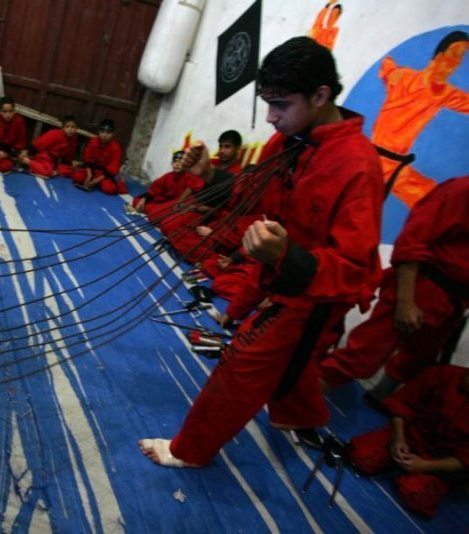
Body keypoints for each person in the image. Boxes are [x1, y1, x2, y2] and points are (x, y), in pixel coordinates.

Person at [139, 36, 384, 467]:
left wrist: (285, 257)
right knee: (286, 359)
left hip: (315, 294)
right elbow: (250, 193)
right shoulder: (287, 142)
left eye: (281, 105)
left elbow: (354, 267)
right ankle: (299, 413)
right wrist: (211, 174)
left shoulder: (357, 165)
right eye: (266, 103)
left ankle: (189, 452)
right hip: (275, 269)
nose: (270, 118)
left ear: (320, 95)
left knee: (242, 362)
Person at [320, 176, 469, 399]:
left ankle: (379, 399)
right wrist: (405, 301)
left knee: (418, 358)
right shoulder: (461, 190)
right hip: (423, 288)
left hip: (454, 300)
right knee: (364, 354)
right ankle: (297, 407)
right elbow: (413, 241)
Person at [348, 365, 469, 518]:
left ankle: (412, 474)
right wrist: (398, 439)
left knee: (416, 497)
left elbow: (465, 459)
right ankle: (396, 460)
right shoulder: (442, 374)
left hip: (440, 458)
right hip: (410, 434)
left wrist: (426, 466)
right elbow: (402, 404)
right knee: (362, 457)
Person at [372, 30, 469, 208]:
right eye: (454, 54)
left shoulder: (446, 94)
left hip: (397, 167)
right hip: (379, 162)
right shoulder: (403, 77)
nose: (457, 63)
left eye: (461, 57)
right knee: (436, 205)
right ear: (439, 55)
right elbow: (387, 66)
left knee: (438, 202)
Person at [132, 150, 200, 222]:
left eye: (180, 162)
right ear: (171, 163)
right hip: (165, 201)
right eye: (175, 161)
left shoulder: (190, 177)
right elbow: (155, 189)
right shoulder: (168, 176)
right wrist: (144, 199)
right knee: (137, 200)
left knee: (154, 215)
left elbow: (192, 193)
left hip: (178, 204)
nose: (177, 164)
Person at [71, 119, 126, 194]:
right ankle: (93, 181)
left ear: (113, 134)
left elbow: (113, 167)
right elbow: (87, 158)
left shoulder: (116, 147)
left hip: (104, 173)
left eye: (108, 133)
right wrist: (89, 175)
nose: (104, 135)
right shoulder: (93, 141)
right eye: (102, 132)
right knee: (76, 177)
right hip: (92, 169)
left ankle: (114, 183)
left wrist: (98, 180)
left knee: (109, 189)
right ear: (98, 132)